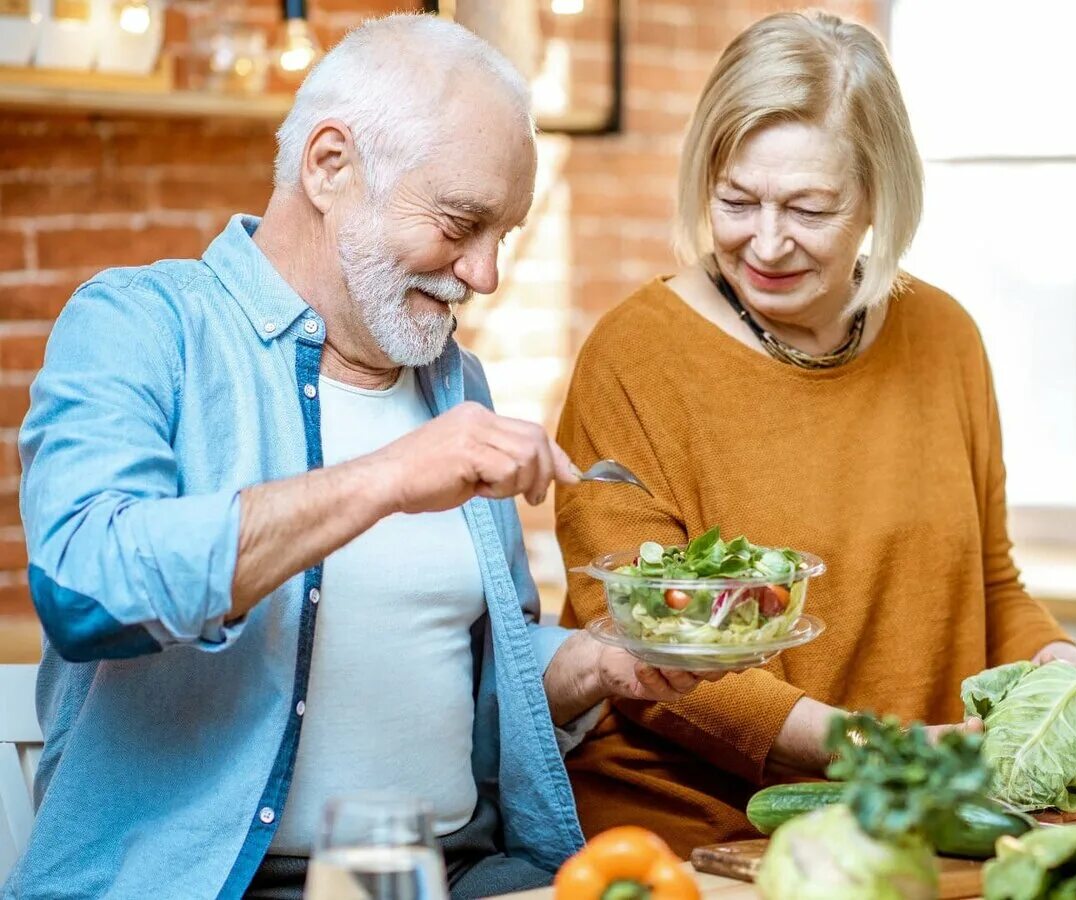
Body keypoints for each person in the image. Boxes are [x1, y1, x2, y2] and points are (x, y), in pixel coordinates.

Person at [6, 14, 714, 900]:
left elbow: (454, 672)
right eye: (462, 222)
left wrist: (601, 666)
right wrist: (384, 479)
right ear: (329, 165)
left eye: (507, 234)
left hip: (462, 875)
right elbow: (86, 587)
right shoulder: (141, 326)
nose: (485, 273)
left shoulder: (456, 384)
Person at [554, 10, 1076, 856]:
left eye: (809, 207)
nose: (765, 242)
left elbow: (990, 582)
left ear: (878, 195)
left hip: (913, 827)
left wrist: (1069, 681)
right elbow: (641, 648)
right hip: (696, 840)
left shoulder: (945, 337)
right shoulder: (635, 357)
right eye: (736, 200)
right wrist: (877, 748)